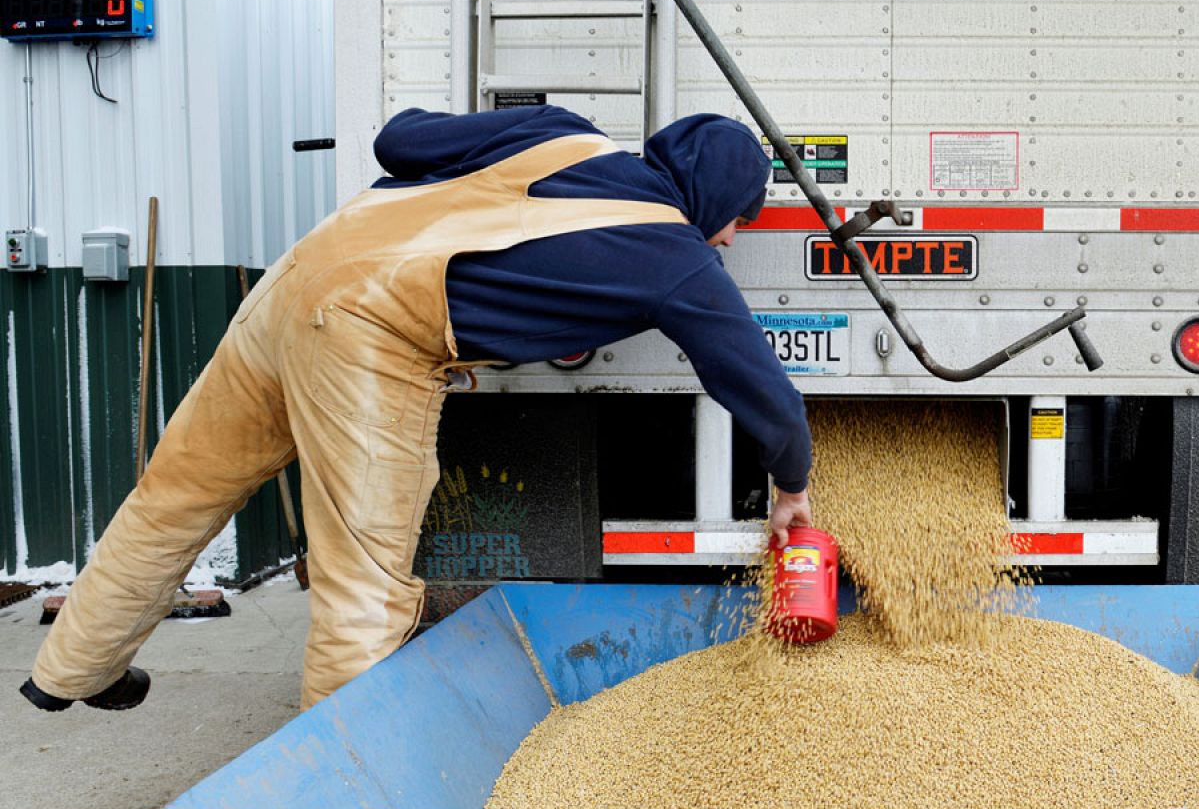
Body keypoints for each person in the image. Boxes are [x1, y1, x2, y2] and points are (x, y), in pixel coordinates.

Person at [20, 107, 813, 712]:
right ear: (713, 197)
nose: (734, 241)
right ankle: (342, 798)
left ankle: (72, 670)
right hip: (373, 334)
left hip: (299, 278)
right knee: (364, 576)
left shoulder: (564, 135)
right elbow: (758, 384)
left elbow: (399, 139)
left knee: (179, 489)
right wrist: (792, 487)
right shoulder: (676, 256)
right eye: (740, 218)